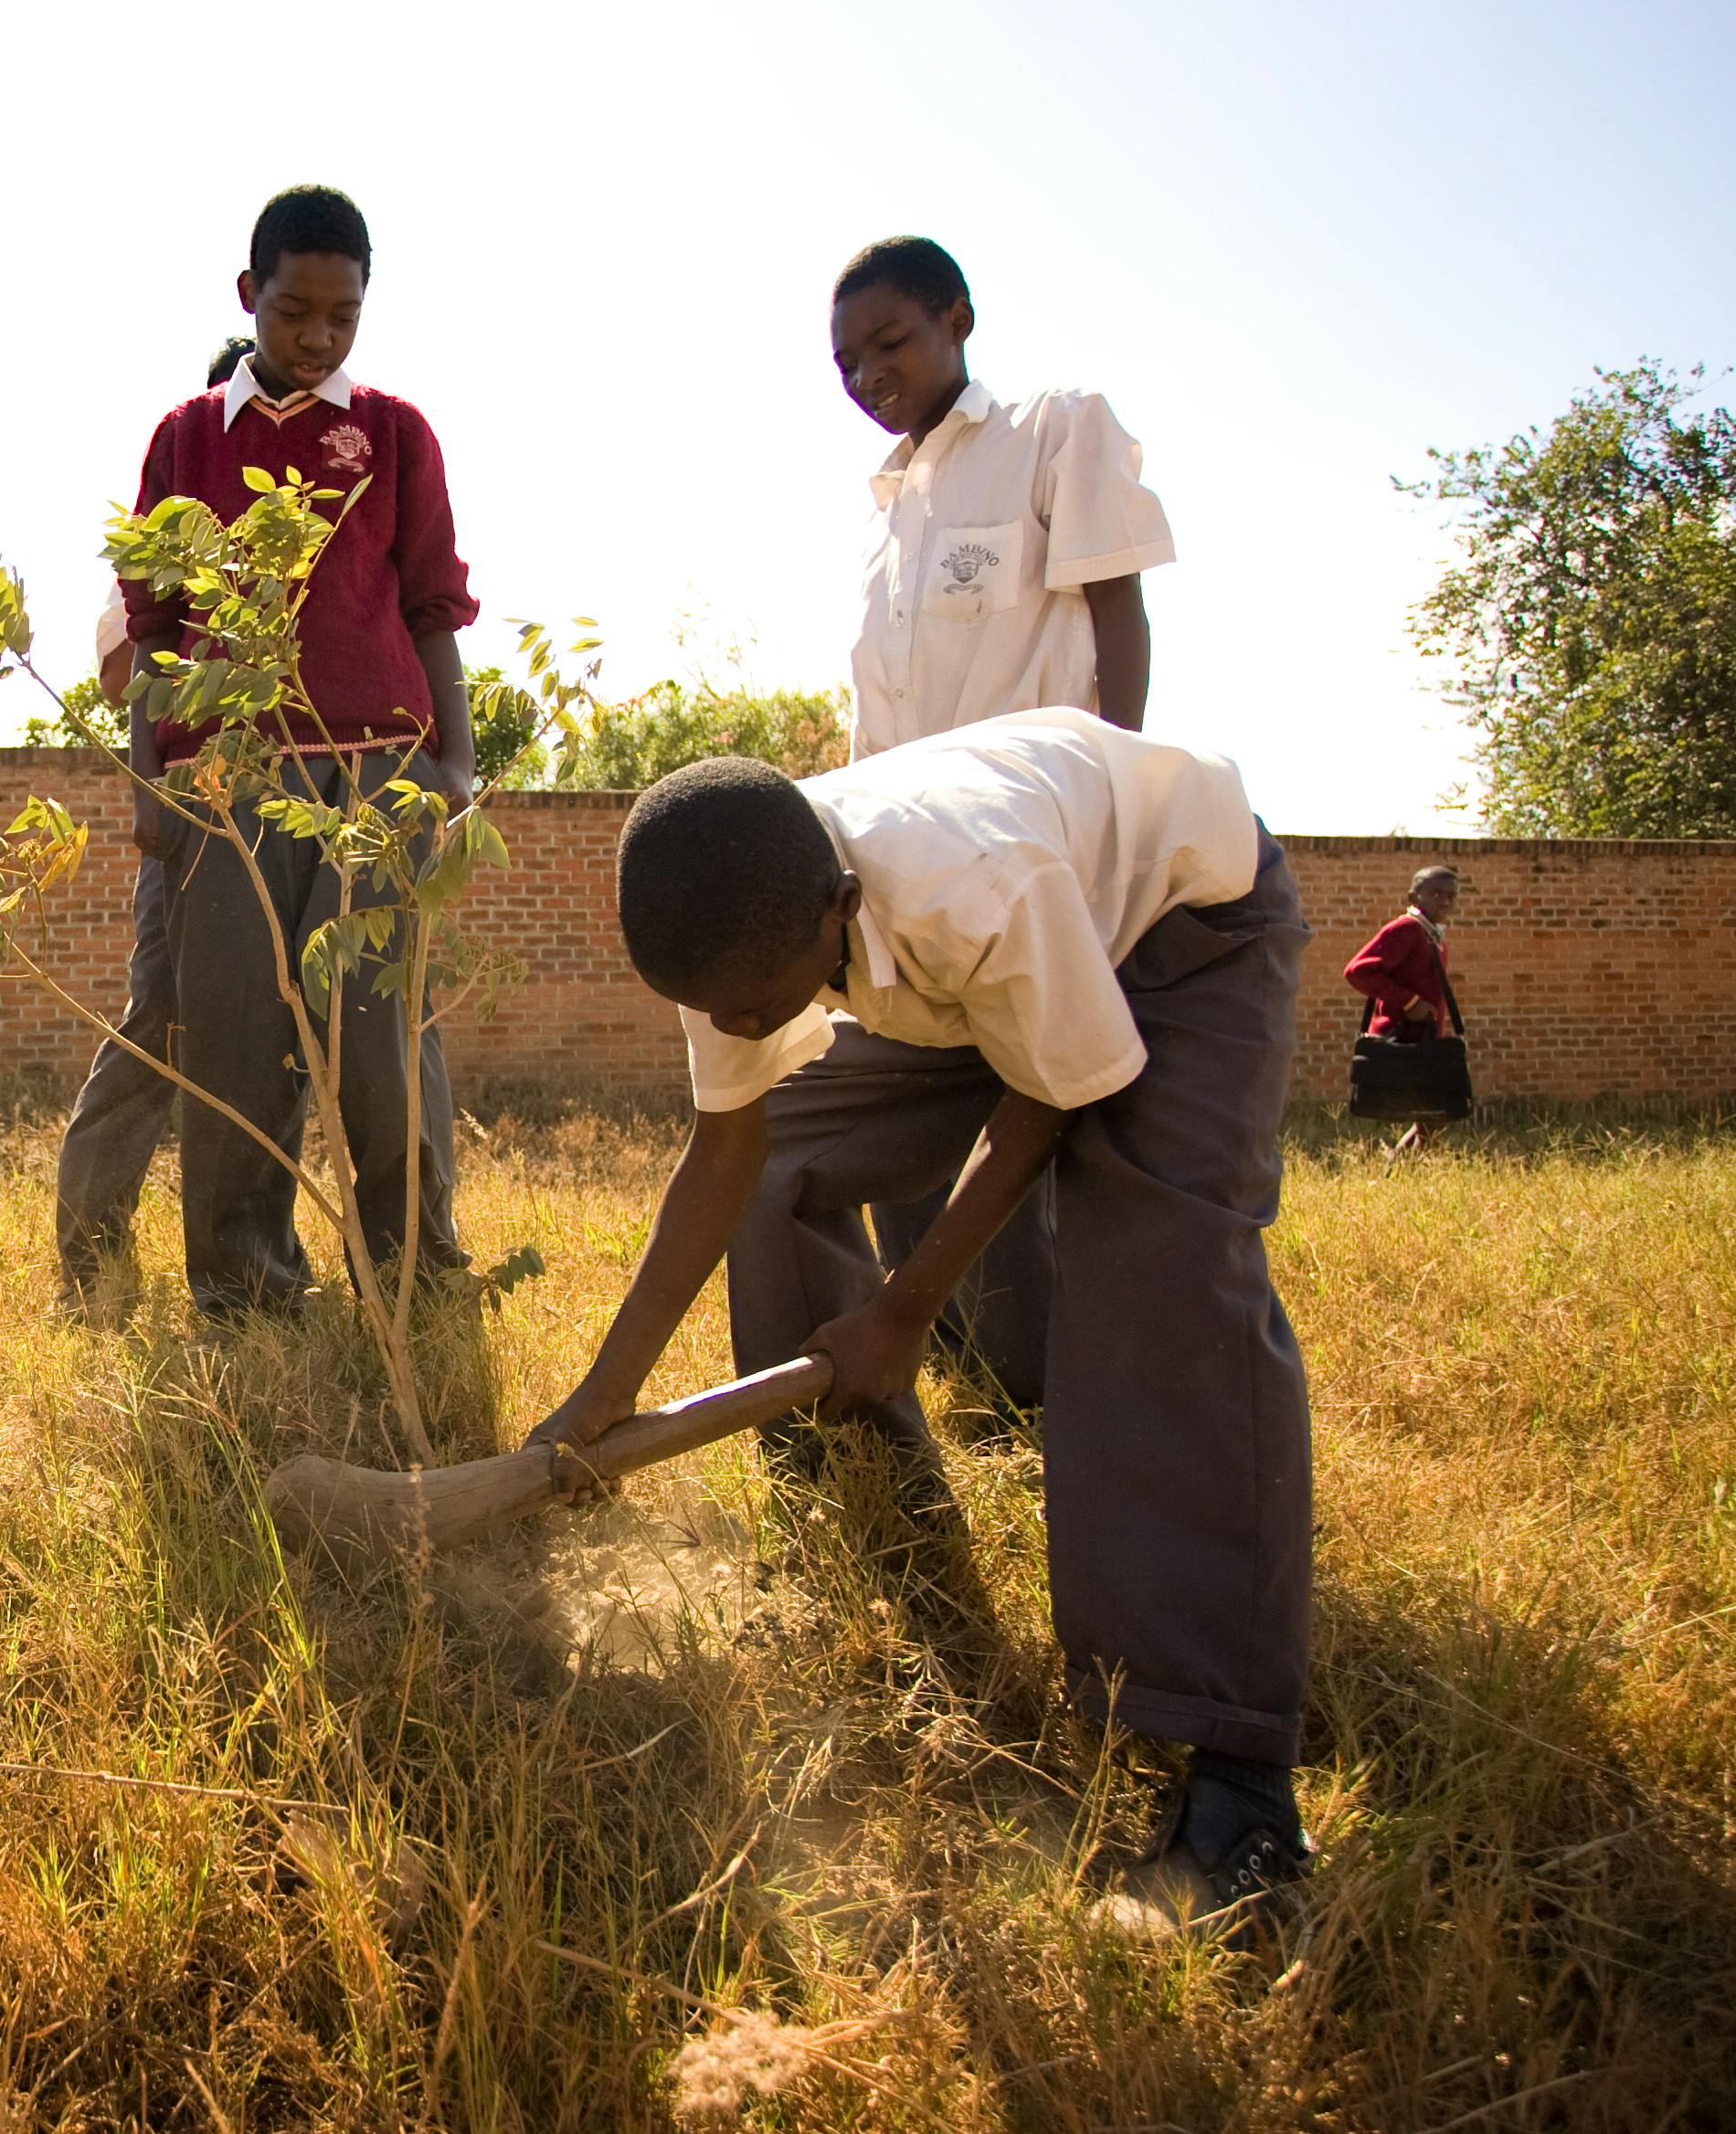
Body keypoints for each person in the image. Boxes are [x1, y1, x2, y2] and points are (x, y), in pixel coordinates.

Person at [531, 711, 1318, 1915]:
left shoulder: (972, 883)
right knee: (787, 1151)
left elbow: (1047, 1099)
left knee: (1156, 1259)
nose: (738, 1030)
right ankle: (884, 1517)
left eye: (752, 1010)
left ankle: (1241, 1792)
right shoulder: (730, 915)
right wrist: (607, 1388)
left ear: (838, 908)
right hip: (995, 969)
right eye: (713, 1012)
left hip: (1179, 928)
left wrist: (906, 1309)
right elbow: (727, 1147)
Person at [806, 235, 1182, 1413]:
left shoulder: (1050, 434)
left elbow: (1116, 616)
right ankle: (958, 1361)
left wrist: (1110, 795)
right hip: (915, 876)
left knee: (1046, 1111)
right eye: (845, 361)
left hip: (1038, 853)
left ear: (957, 319)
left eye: (891, 342)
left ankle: (1048, 1383)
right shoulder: (888, 518)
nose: (869, 374)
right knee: (912, 1127)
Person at [120, 186, 476, 1316]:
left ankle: (412, 1272)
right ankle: (245, 1287)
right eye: (293, 312)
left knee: (378, 1033)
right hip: (225, 774)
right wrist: (149, 772)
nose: (318, 337)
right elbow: (155, 628)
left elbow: (431, 609)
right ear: (248, 297)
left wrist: (452, 767)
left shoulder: (393, 431)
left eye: (343, 316)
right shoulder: (186, 438)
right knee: (233, 1034)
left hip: (377, 771)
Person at [52, 337, 254, 1303]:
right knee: (163, 1025)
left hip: (314, 816)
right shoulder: (162, 549)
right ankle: (90, 1251)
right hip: (199, 813)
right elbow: (125, 669)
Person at [1344, 865, 1460, 1039]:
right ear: (1414, 898)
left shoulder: (1433, 936)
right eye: (1436, 894)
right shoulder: (1408, 927)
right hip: (1397, 1042)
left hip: (1422, 1043)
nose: (1445, 902)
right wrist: (1410, 1002)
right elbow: (1359, 971)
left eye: (1451, 896)